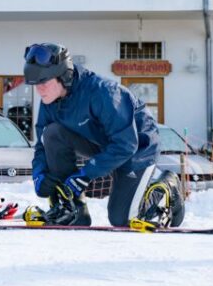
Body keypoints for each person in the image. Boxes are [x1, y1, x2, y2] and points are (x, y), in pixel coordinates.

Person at [25, 42, 185, 227]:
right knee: (52, 134)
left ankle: (168, 185)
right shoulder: (49, 101)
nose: (39, 89)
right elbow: (42, 145)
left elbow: (125, 145)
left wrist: (85, 175)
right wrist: (39, 175)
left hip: (137, 149)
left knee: (122, 220)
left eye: (44, 82)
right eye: (36, 83)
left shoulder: (103, 92)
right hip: (103, 144)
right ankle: (73, 211)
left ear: (64, 76)